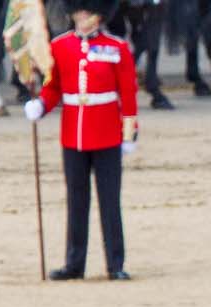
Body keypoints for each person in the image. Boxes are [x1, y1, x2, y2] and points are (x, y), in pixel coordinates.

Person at [24, 0, 137, 282]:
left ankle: (115, 263)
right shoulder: (61, 46)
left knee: (109, 202)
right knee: (77, 201)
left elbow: (129, 96)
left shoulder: (117, 48)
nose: (80, 17)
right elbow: (55, 88)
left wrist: (129, 134)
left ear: (98, 16)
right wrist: (40, 105)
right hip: (73, 135)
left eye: (86, 12)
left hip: (108, 134)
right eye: (78, 12)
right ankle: (74, 263)